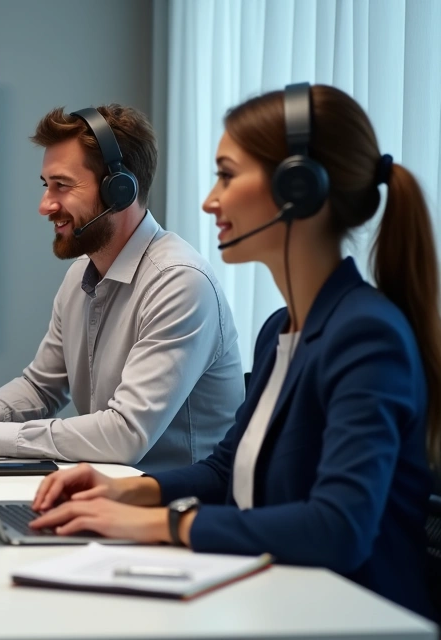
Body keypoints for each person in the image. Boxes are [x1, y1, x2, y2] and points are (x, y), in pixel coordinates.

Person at [28, 84, 438, 621]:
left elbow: (338, 528)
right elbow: (227, 472)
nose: (210, 200)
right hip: (277, 599)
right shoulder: (281, 330)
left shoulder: (365, 336)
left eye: (226, 175)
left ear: (298, 188)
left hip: (354, 617)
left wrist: (161, 523)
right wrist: (128, 492)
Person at [0, 104, 244, 473]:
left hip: (175, 503)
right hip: (109, 490)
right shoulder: (81, 274)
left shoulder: (179, 283)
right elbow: (41, 387)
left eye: (62, 186)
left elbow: (126, 433)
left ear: (119, 190)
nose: (44, 205)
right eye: (46, 185)